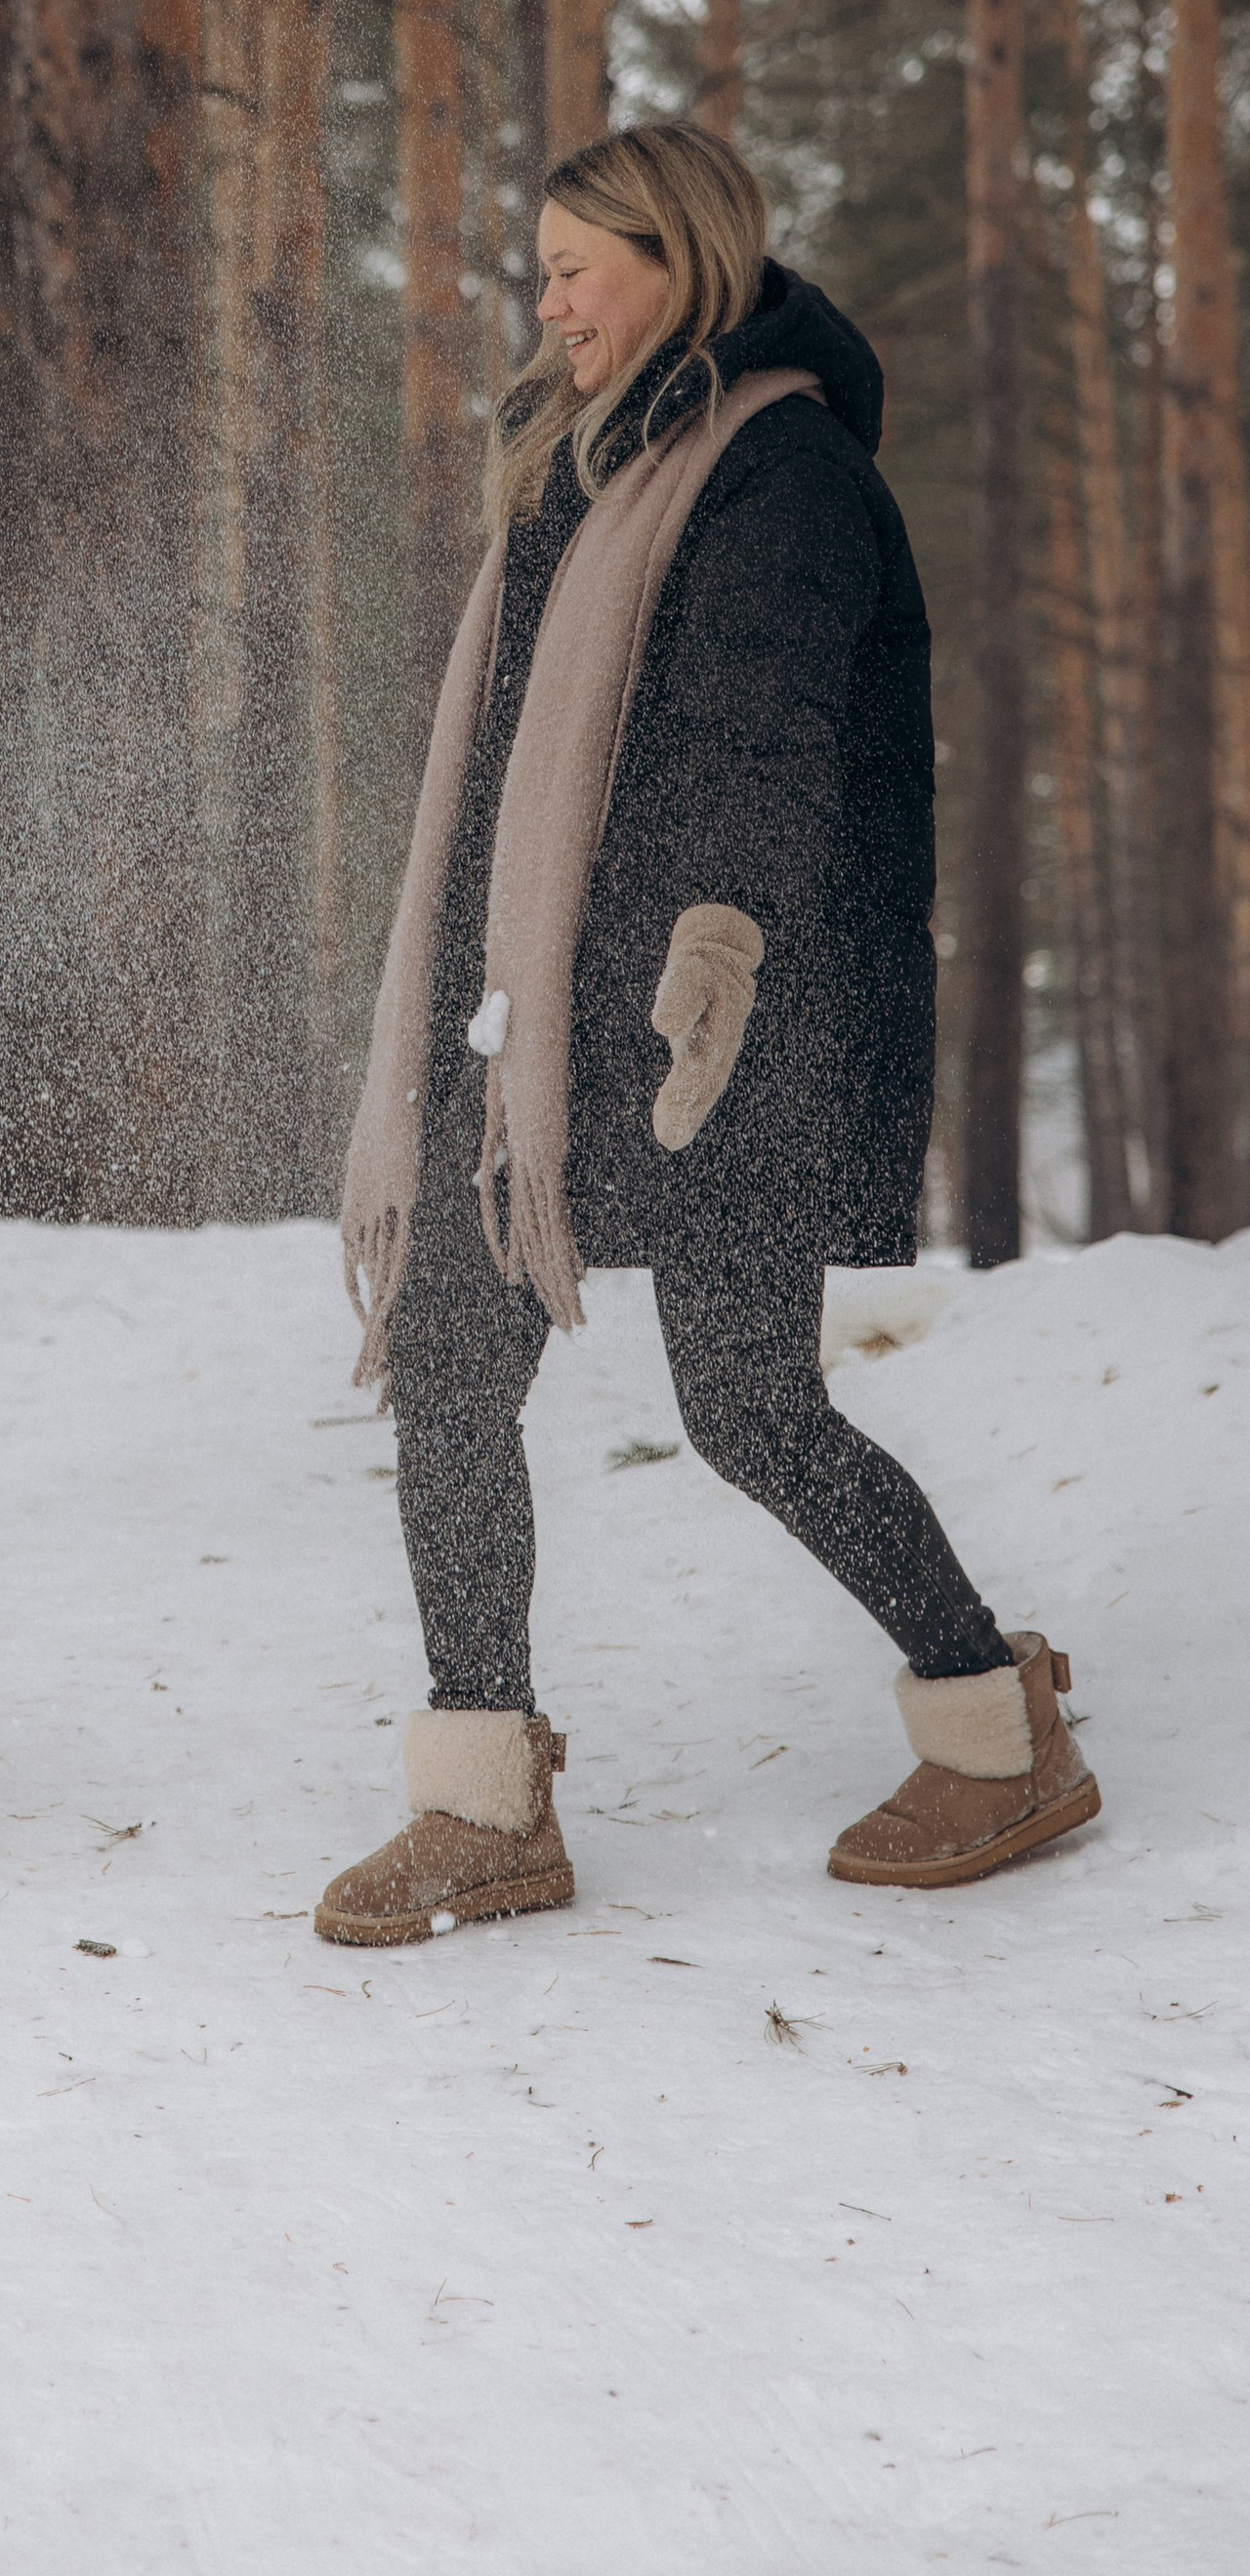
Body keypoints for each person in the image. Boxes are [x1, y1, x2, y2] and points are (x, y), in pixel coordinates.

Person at [319, 122, 1099, 1948]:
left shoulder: (785, 473)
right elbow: (515, 758)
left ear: (683, 262)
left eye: (576, 268)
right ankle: (483, 1803)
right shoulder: (580, 464)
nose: (549, 303)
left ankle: (996, 1728)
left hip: (719, 1020)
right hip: (535, 1019)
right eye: (540, 270)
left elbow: (766, 734)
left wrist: (721, 941)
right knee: (450, 1369)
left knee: (749, 1409)